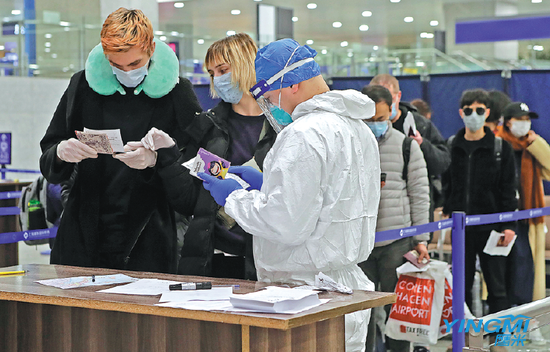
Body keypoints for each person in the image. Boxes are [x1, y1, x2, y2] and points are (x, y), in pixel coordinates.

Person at [198, 39, 380, 352]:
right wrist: (269, 188)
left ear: (291, 84)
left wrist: (234, 197)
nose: (269, 106)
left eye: (268, 96)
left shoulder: (303, 133)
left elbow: (285, 225)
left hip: (302, 296)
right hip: (343, 290)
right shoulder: (356, 128)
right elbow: (325, 201)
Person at [39, 8, 202, 272]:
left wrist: (158, 160)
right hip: (83, 233)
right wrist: (61, 152)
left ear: (151, 49)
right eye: (116, 65)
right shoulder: (82, 86)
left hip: (149, 237)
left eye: (134, 64)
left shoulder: (176, 92)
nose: (126, 72)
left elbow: (195, 168)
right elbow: (48, 160)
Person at [139, 33, 276, 279]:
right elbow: (189, 200)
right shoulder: (208, 127)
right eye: (212, 74)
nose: (218, 79)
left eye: (223, 69)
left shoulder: (281, 127)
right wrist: (168, 158)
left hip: (269, 259)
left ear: (246, 65)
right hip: (214, 258)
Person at [359, 85, 430, 352]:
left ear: (392, 112)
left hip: (397, 244)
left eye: (380, 119)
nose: (375, 125)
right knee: (360, 316)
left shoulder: (406, 146)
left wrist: (421, 239)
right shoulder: (351, 146)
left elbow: (420, 194)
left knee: (398, 315)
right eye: (370, 120)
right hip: (359, 245)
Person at [442, 89, 517, 314]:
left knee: (497, 286)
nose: (473, 115)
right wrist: (448, 207)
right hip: (461, 228)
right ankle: (462, 340)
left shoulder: (500, 148)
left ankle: (497, 340)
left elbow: (508, 188)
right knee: (460, 286)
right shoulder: (452, 145)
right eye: (468, 110)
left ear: (487, 113)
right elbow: (447, 183)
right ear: (460, 113)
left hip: (492, 226)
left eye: (479, 110)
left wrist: (508, 225)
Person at [369, 74, 450, 217]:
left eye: (389, 99)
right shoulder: (362, 127)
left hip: (411, 212)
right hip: (375, 211)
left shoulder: (420, 125)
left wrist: (422, 145)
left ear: (398, 96)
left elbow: (442, 163)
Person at [496, 102, 550, 304]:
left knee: (525, 269)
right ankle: (501, 318)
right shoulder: (497, 144)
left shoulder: (531, 148)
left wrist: (537, 143)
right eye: (521, 120)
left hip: (527, 217)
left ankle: (526, 318)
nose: (525, 124)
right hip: (501, 216)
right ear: (508, 122)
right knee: (502, 271)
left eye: (528, 120)